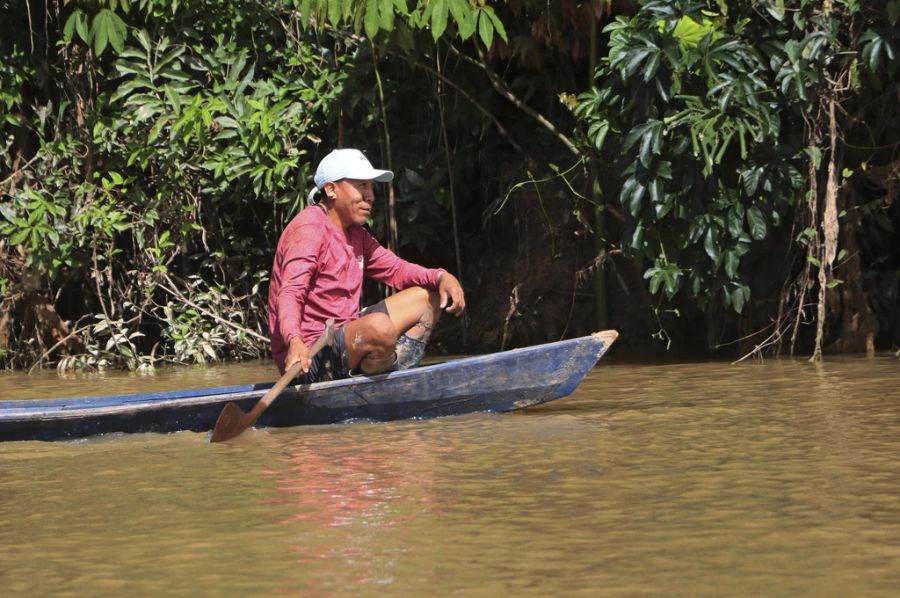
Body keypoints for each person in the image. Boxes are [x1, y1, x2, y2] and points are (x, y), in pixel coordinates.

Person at [267, 148, 466, 381]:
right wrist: (295, 341)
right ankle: (384, 380)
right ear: (331, 189)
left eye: (371, 187)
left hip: (344, 336)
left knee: (428, 300)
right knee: (380, 328)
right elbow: (290, 293)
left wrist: (441, 277)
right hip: (309, 355)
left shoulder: (356, 234)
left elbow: (397, 269)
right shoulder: (309, 229)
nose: (370, 195)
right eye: (362, 186)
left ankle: (396, 378)